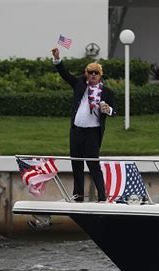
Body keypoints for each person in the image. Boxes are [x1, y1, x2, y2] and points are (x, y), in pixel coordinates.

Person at [51, 47, 115, 202]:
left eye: (96, 73)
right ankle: (78, 196)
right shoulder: (80, 84)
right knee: (76, 164)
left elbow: (114, 111)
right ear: (86, 73)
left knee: (93, 164)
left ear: (100, 75)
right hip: (77, 130)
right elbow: (65, 75)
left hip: (93, 132)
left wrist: (108, 109)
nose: (93, 75)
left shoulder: (107, 92)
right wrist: (57, 59)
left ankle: (102, 197)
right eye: (90, 72)